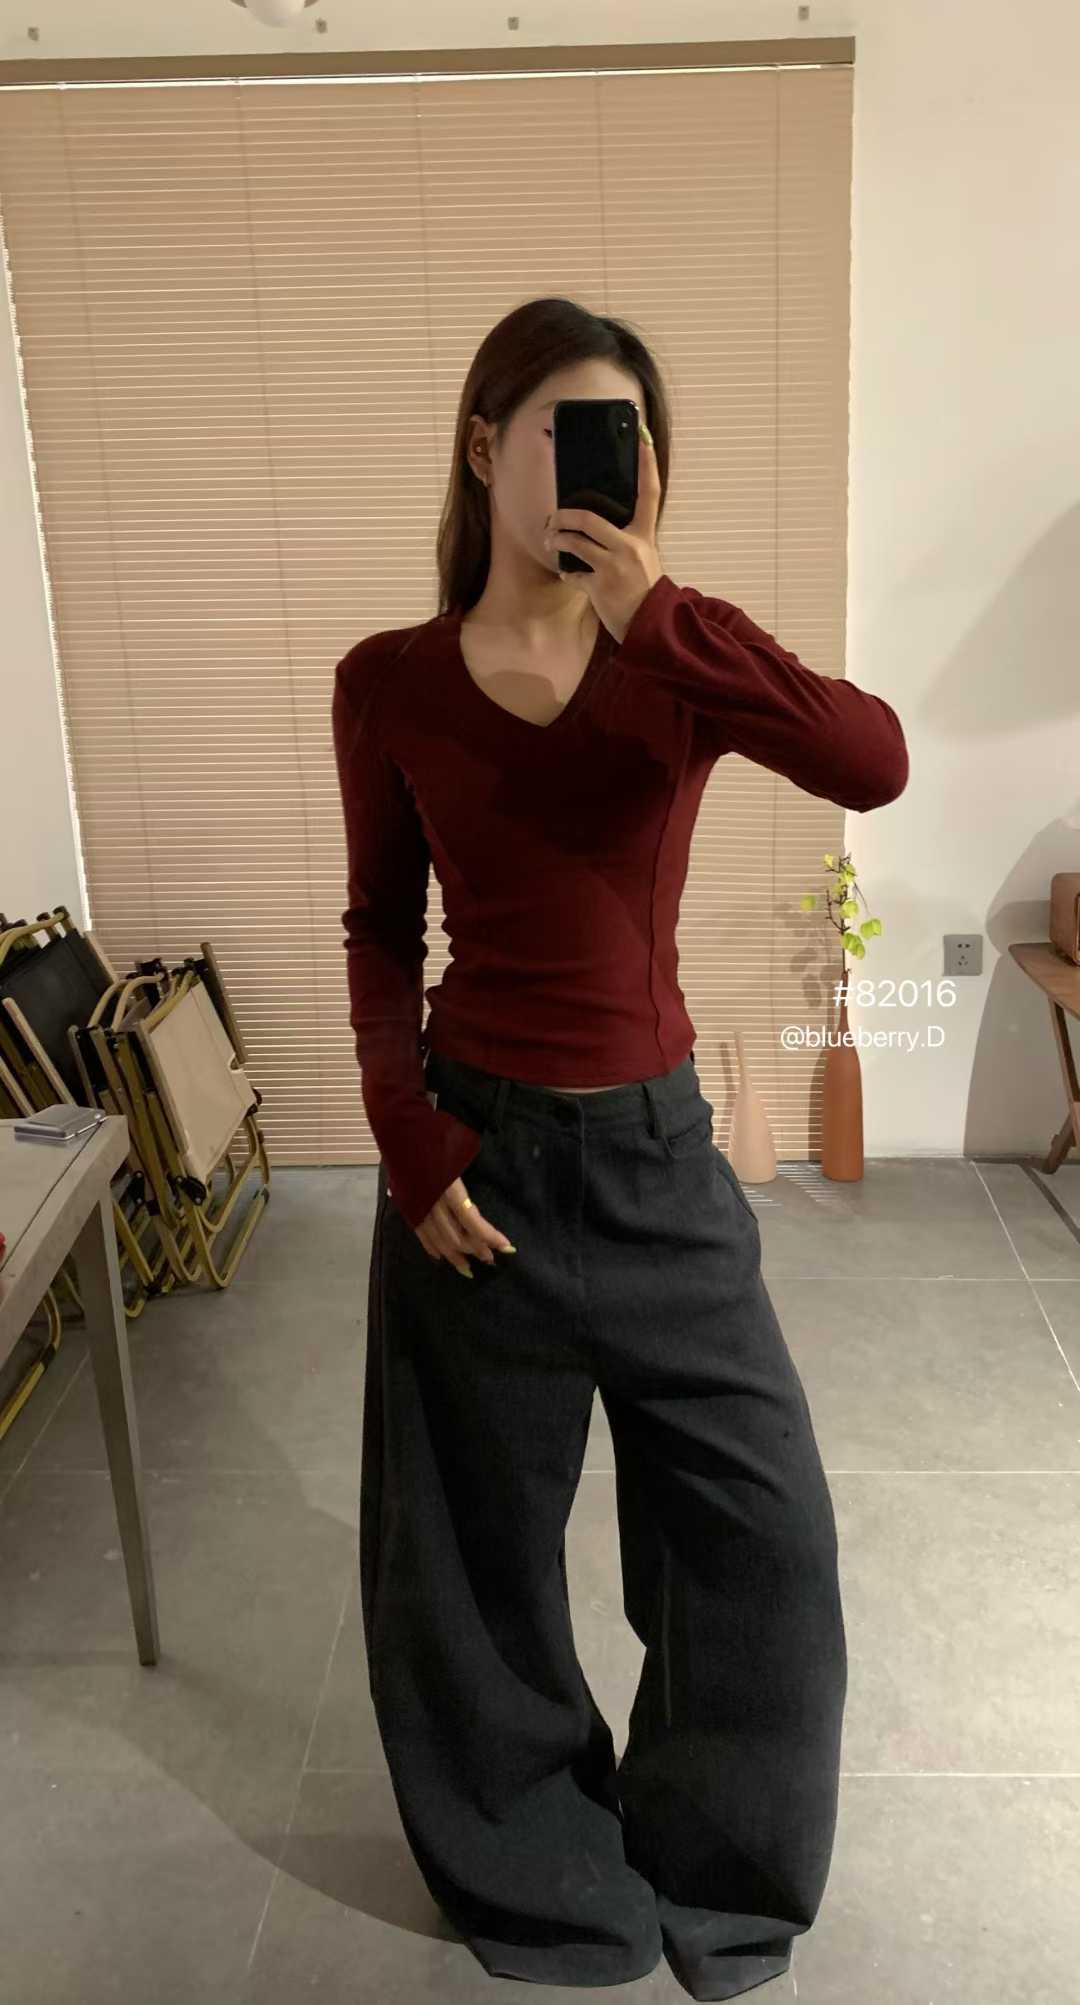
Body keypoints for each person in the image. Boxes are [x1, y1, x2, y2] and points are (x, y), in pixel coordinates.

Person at [331, 296, 909, 2001]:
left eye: (628, 440)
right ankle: (536, 1879)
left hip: (659, 1162)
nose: (598, 465)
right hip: (476, 1165)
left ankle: (723, 1872)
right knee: (467, 1568)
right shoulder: (389, 682)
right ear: (481, 446)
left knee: (760, 1541)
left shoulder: (678, 661)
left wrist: (664, 609)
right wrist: (406, 1139)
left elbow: (871, 759)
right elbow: (379, 928)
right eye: (563, 430)